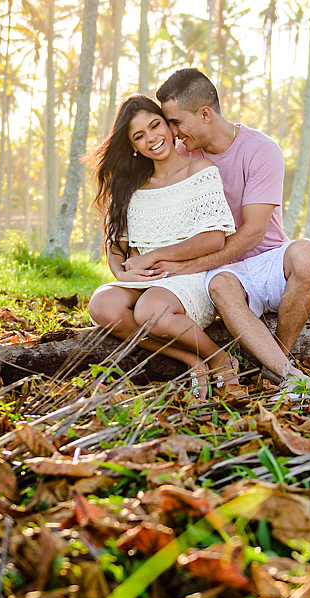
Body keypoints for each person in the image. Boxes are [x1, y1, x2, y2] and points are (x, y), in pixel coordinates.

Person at [148, 68, 310, 400]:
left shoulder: (261, 150)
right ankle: (287, 375)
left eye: (175, 122)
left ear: (205, 114)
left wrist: (188, 266)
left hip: (266, 258)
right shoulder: (182, 154)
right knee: (220, 284)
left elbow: (254, 232)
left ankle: (276, 360)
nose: (172, 133)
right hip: (222, 271)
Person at [87, 95, 241, 397]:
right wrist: (122, 274)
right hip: (146, 280)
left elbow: (213, 238)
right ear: (133, 146)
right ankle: (192, 359)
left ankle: (220, 358)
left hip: (190, 276)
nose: (151, 139)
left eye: (155, 126)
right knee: (102, 304)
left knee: (150, 310)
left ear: (171, 129)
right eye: (139, 136)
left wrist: (153, 256)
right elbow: (115, 245)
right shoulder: (131, 184)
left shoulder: (200, 171)